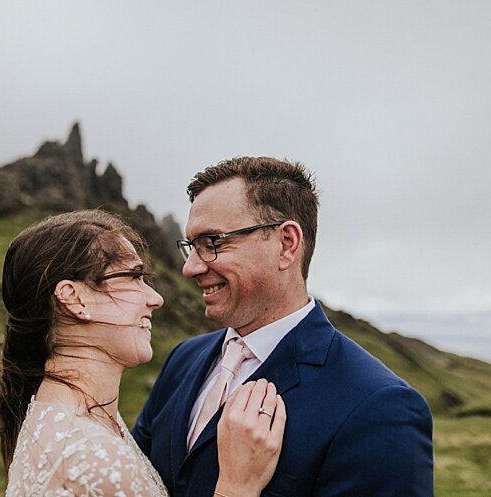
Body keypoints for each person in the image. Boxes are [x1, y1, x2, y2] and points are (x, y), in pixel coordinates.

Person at [132, 157, 434, 496]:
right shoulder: (182, 359)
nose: (190, 268)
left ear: (287, 244)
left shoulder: (380, 407)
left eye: (212, 242)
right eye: (192, 246)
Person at [0, 209, 286, 497]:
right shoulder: (98, 460)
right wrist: (237, 486)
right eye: (134, 276)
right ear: (74, 298)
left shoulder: (59, 418)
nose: (155, 299)